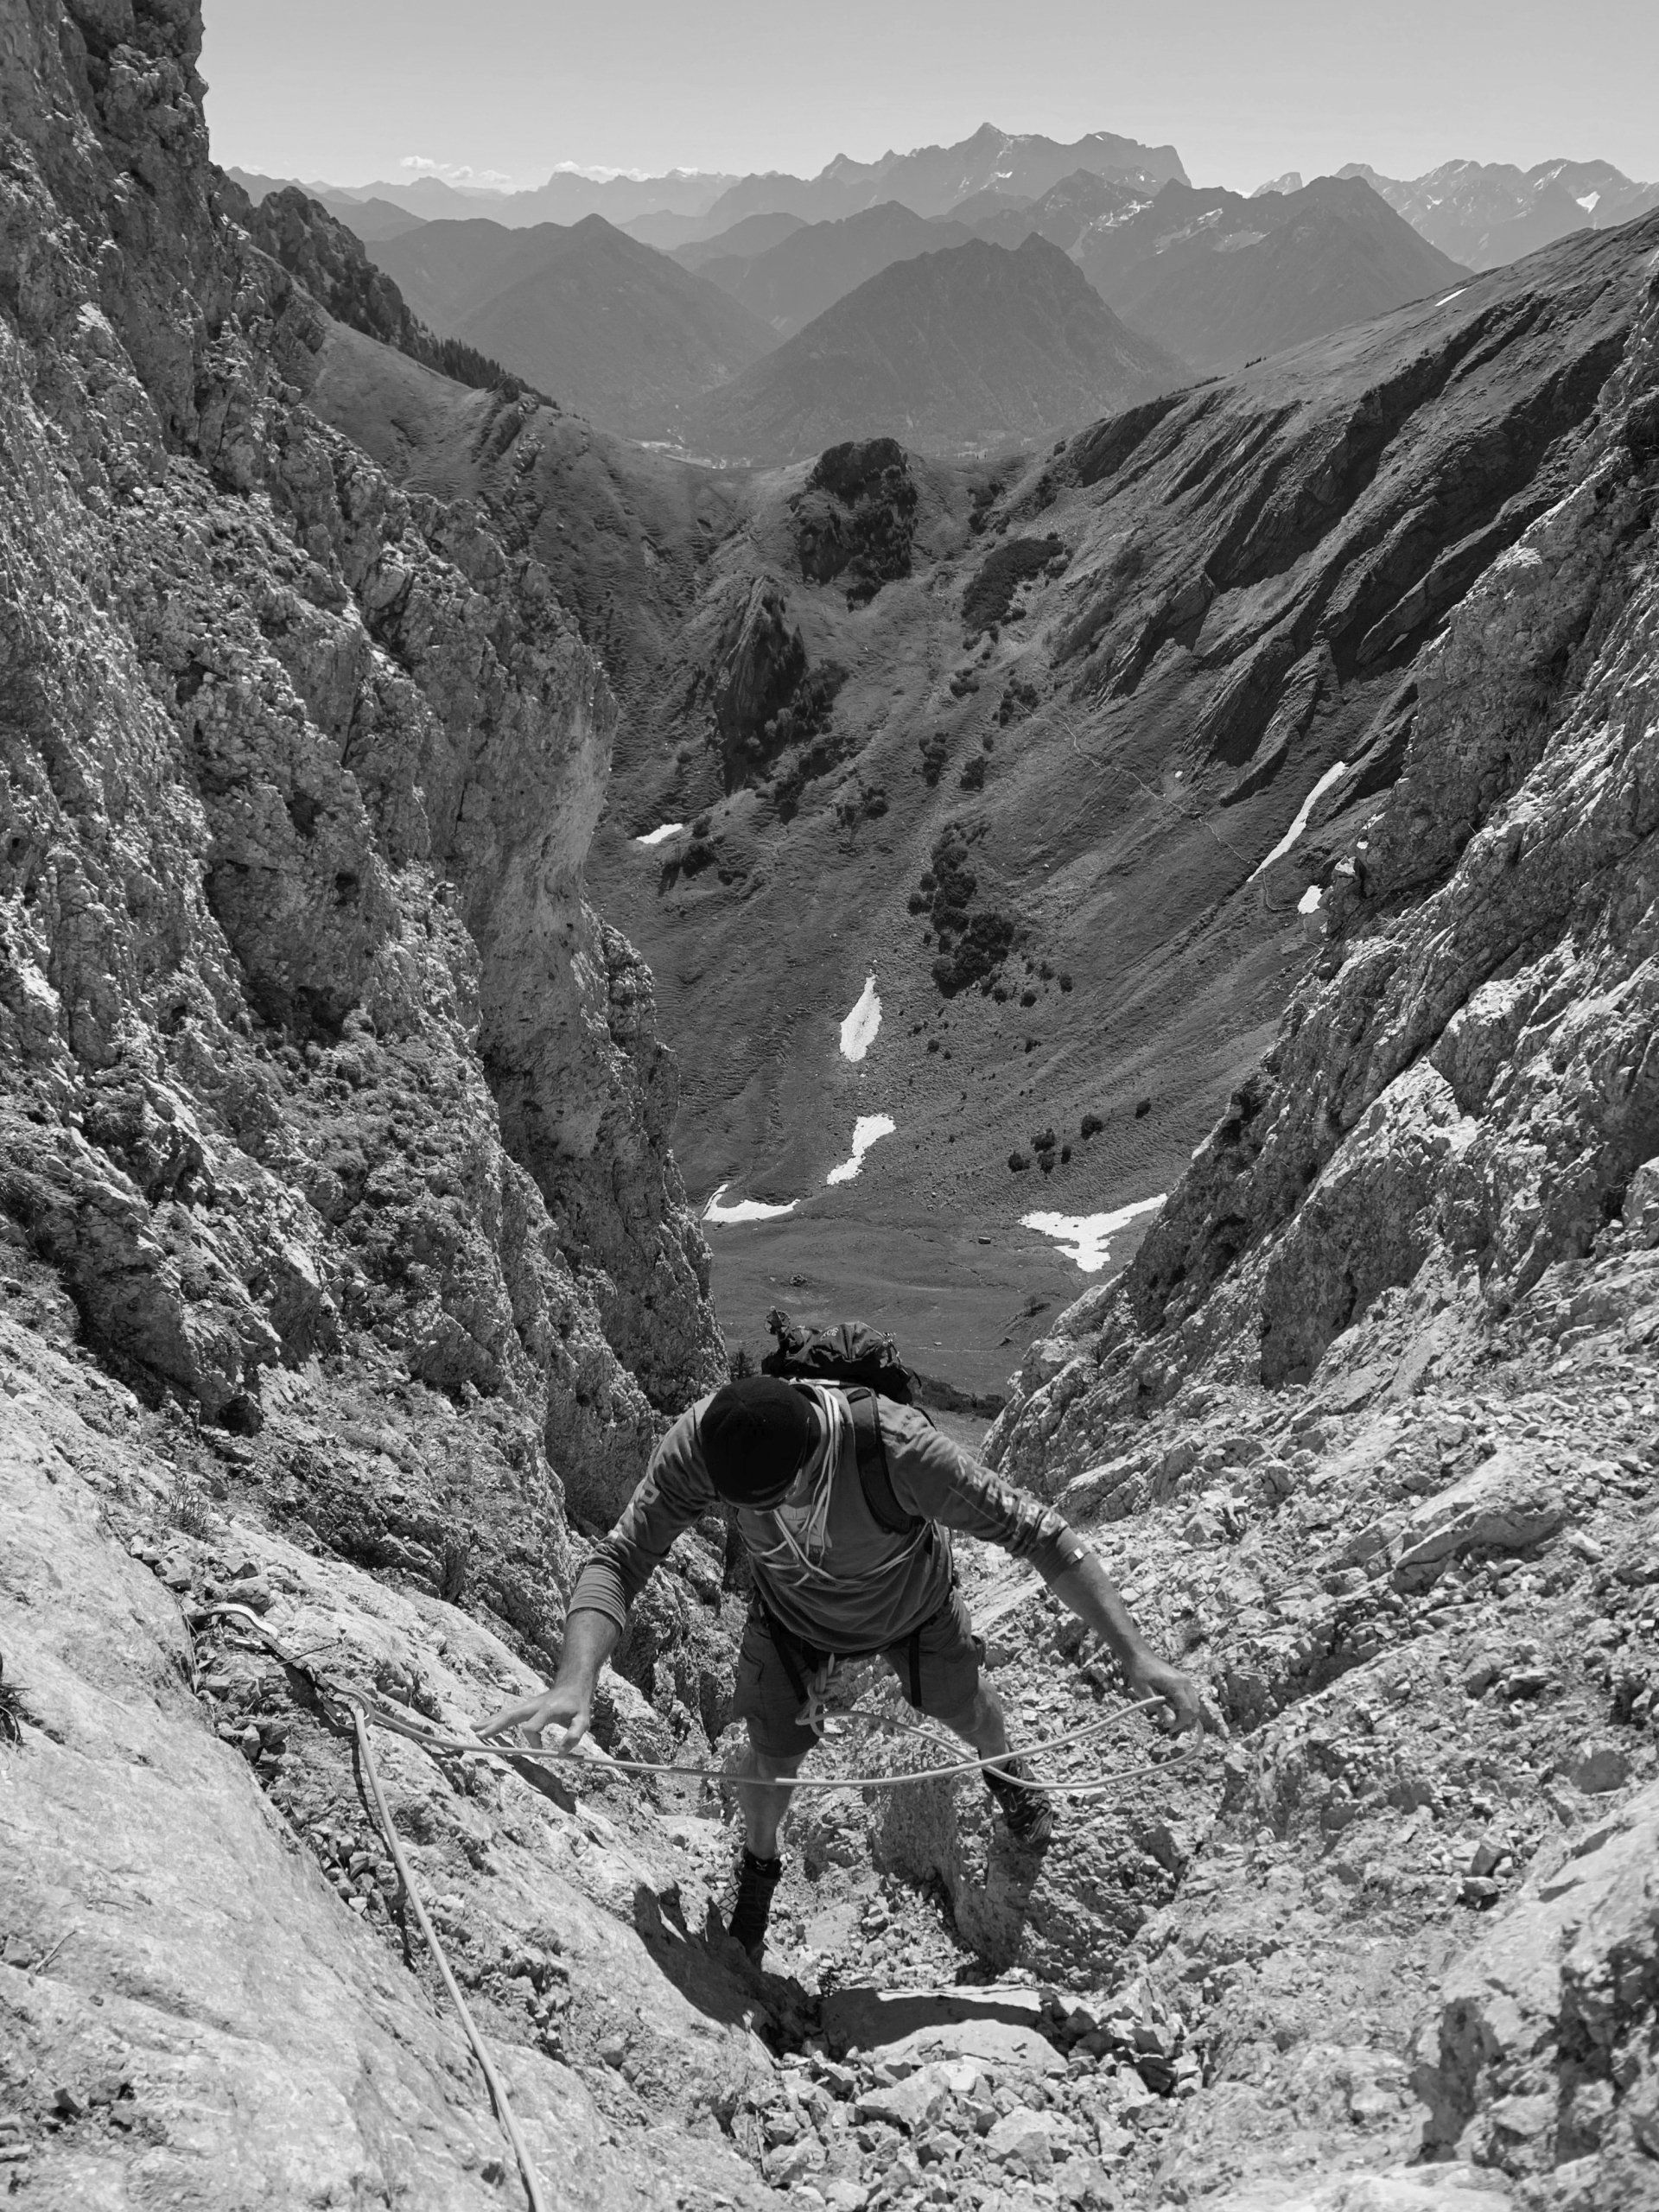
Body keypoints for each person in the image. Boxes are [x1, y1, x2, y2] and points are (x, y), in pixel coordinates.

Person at [483, 1374, 1207, 1965]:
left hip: (912, 1608)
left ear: (811, 1457)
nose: (757, 1516)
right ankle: (760, 1875)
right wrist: (575, 1681)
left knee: (970, 1708)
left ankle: (1009, 1780)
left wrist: (1135, 1654)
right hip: (791, 1618)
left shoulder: (898, 1453)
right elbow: (620, 1560)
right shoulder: (702, 1447)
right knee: (770, 1758)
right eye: (742, 1507)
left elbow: (1041, 1537)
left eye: (773, 1500)